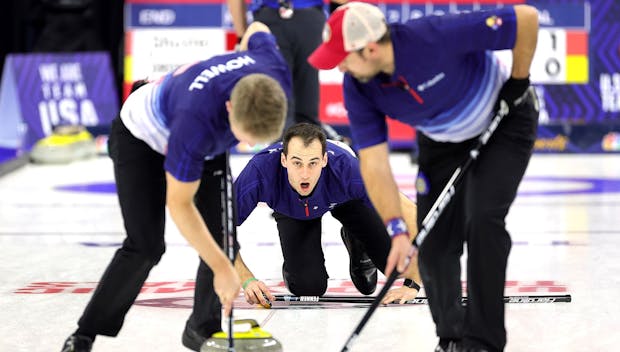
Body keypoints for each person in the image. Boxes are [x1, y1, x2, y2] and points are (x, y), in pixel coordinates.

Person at [308, 3, 539, 352]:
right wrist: (397, 229)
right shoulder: (358, 87)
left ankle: (483, 343)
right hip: (442, 140)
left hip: (503, 125)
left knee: (483, 223)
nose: (339, 66)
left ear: (369, 49)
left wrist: (519, 80)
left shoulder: (435, 35)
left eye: (343, 57)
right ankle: (452, 338)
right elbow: (373, 164)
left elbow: (526, 19)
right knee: (432, 242)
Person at [60, 21, 291, 352]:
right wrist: (223, 269)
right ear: (229, 109)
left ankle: (202, 327)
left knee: (222, 239)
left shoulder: (273, 67)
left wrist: (222, 257)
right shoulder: (195, 123)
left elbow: (257, 26)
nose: (245, 145)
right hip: (140, 137)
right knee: (146, 245)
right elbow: (179, 205)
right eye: (243, 138)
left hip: (204, 131)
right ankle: (85, 334)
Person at [232, 123, 421, 308]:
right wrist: (246, 279)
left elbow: (410, 211)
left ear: (324, 160)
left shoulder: (348, 168)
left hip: (346, 200)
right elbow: (219, 228)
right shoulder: (260, 170)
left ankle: (357, 242)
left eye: (313, 163)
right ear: (284, 160)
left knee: (401, 267)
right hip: (293, 210)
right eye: (297, 163)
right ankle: (294, 260)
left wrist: (413, 283)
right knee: (308, 287)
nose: (305, 174)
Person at [227, 0, 350, 143]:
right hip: (276, 17)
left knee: (302, 107)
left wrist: (242, 34)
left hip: (304, 16)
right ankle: (286, 158)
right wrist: (241, 34)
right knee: (278, 106)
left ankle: (307, 157)